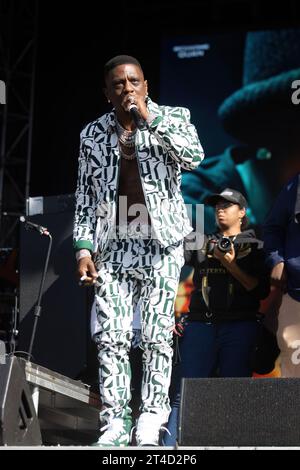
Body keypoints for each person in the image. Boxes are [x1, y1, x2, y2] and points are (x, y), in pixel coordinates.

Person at [73, 55, 204, 447]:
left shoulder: (173, 117)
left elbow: (193, 157)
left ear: (146, 85)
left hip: (161, 243)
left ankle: (151, 419)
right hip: (113, 244)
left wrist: (150, 117)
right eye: (118, 84)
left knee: (156, 335)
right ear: (107, 92)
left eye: (134, 82)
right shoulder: (92, 135)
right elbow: (85, 196)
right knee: (110, 336)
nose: (127, 89)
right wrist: (82, 247)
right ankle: (114, 422)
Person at [164, 188, 270, 446]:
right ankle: (170, 449)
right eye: (217, 205)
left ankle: (232, 445)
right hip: (201, 324)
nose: (220, 209)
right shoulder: (201, 241)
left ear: (242, 212)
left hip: (240, 326)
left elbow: (259, 290)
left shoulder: (255, 245)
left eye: (228, 205)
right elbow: (167, 261)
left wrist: (231, 263)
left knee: (235, 392)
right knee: (185, 391)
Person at [263, 173, 300, 377]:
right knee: (295, 375)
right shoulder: (295, 185)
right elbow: (272, 227)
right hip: (297, 294)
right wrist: (277, 260)